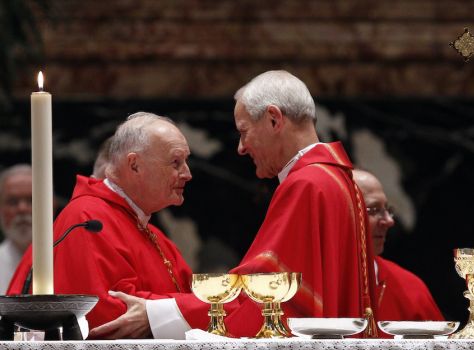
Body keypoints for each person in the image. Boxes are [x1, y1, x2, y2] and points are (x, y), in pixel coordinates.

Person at [88, 70, 379, 339]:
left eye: (244, 132)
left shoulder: (308, 185)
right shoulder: (338, 181)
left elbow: (265, 295)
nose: (241, 148)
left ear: (274, 119)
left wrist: (156, 313)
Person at [7, 112, 205, 337]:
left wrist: (172, 310)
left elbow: (200, 303)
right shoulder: (88, 220)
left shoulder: (153, 234)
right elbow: (106, 317)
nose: (187, 174)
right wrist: (178, 309)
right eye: (176, 162)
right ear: (134, 165)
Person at [352, 169, 444, 337]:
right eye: (373, 210)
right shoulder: (302, 286)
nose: (389, 221)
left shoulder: (409, 288)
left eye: (388, 210)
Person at [0, 164, 32, 293]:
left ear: (52, 205)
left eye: (31, 200)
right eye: (13, 201)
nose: (22, 209)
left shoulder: (68, 261)